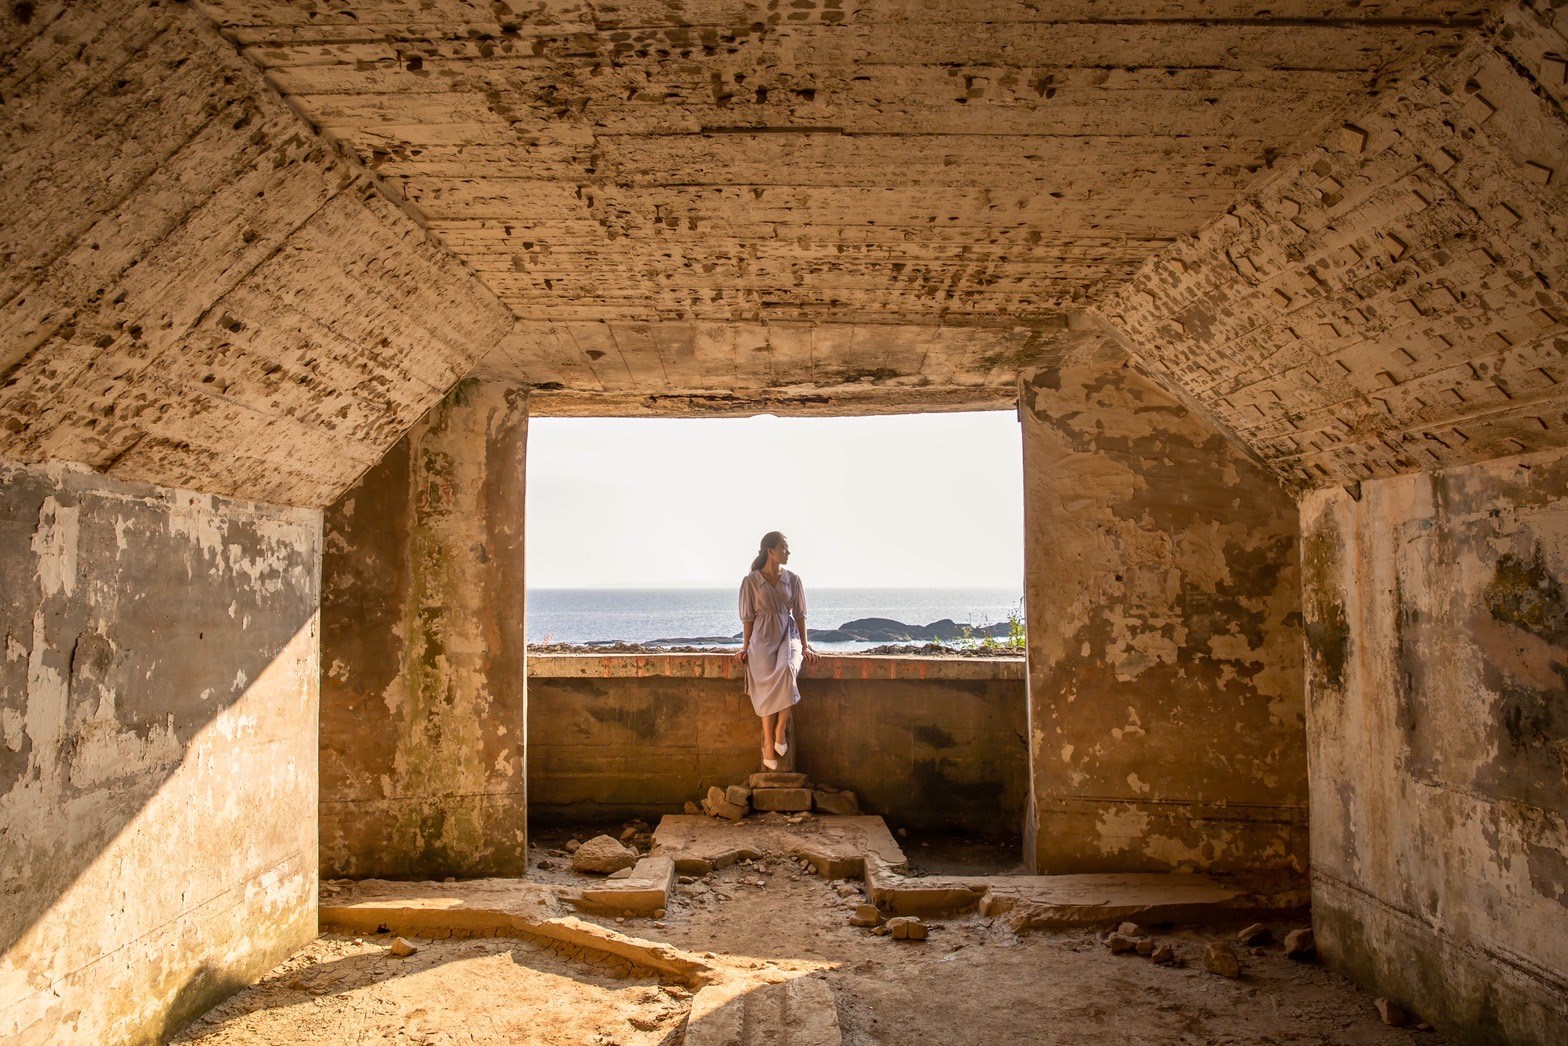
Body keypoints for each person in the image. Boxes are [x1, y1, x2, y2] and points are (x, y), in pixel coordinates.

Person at [735, 531, 819, 770]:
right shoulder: (751, 581)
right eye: (784, 547)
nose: (788, 552)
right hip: (761, 638)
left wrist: (805, 645)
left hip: (787, 635)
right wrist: (745, 648)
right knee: (764, 687)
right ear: (770, 550)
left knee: (788, 670)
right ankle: (768, 742)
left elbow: (801, 616)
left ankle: (780, 731)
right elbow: (748, 618)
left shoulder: (793, 579)